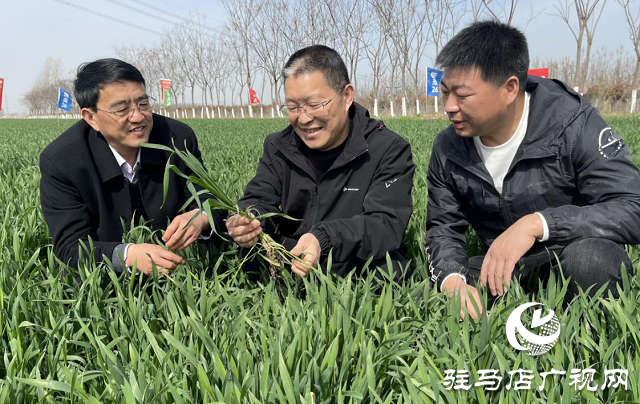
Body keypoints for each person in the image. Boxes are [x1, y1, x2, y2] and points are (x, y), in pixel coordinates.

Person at [426, 21, 640, 320]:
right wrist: (452, 281)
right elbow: (443, 228)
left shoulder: (573, 125)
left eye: (461, 96)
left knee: (593, 262)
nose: (448, 107)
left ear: (510, 88)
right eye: (444, 92)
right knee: (424, 291)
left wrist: (538, 223)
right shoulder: (449, 147)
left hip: (568, 256)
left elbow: (632, 208)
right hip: (500, 268)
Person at [226, 45, 415, 281]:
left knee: (391, 273)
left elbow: (385, 224)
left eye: (314, 104)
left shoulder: (387, 149)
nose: (304, 118)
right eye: (293, 107)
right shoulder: (278, 146)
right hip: (290, 261)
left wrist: (323, 238)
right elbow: (260, 198)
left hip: (354, 269)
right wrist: (250, 220)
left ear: (346, 96)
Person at [40, 58, 225, 275]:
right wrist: (127, 255)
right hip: (107, 290)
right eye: (122, 109)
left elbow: (209, 198)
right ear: (91, 117)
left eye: (143, 104)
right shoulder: (62, 160)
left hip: (183, 273)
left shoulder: (177, 139)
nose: (137, 117)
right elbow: (71, 246)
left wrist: (200, 216)